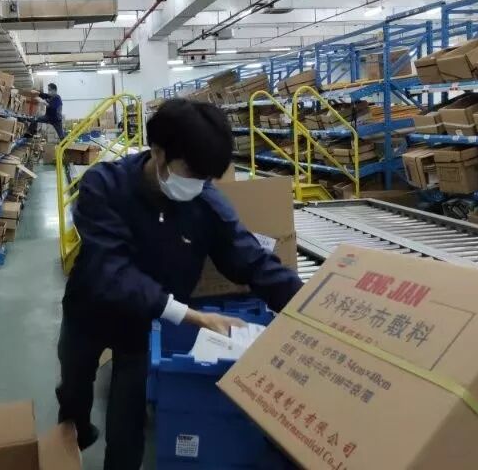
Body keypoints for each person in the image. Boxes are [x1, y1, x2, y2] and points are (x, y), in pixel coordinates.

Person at [56, 98, 304, 470]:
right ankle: (74, 434)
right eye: (193, 173)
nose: (199, 185)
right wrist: (190, 315)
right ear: (158, 153)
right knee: (73, 389)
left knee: (128, 422)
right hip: (89, 312)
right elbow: (111, 271)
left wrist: (307, 305)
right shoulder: (103, 186)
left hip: (143, 328)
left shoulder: (204, 201)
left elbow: (249, 258)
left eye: (207, 178)